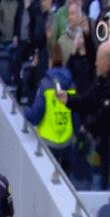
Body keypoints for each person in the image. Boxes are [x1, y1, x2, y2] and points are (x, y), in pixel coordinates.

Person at [57, 41, 110, 189]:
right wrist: (68, 100)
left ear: (107, 63)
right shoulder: (101, 79)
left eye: (98, 60)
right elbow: (88, 98)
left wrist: (87, 126)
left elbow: (104, 113)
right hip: (100, 143)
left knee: (109, 185)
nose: (95, 63)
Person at [26, 43, 76, 175]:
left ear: (50, 60)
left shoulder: (45, 84)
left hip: (48, 142)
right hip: (67, 140)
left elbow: (35, 116)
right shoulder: (72, 84)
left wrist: (26, 111)